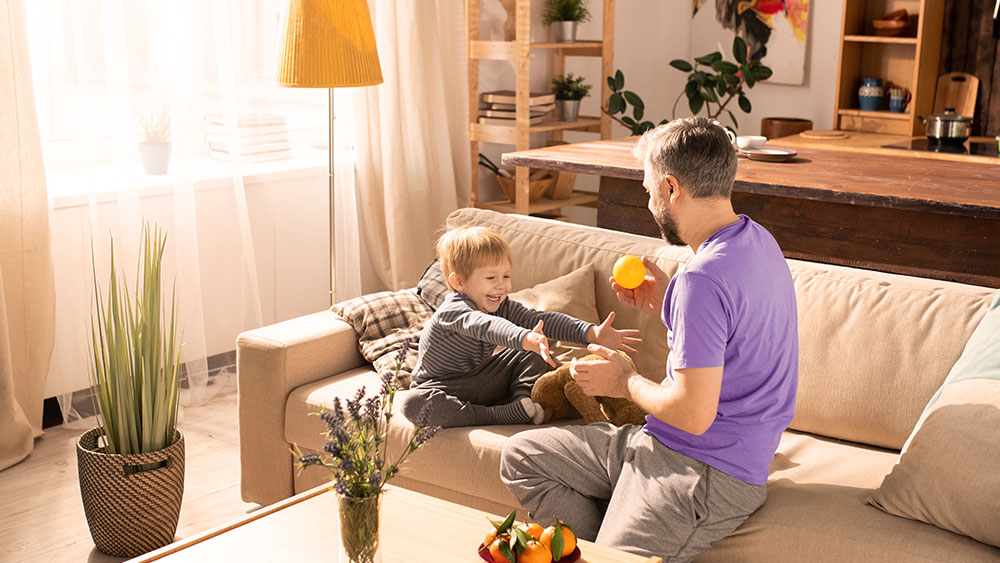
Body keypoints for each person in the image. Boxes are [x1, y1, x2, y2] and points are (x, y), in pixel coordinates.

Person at [500, 116, 799, 562]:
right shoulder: (757, 241)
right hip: (664, 445)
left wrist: (624, 382)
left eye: (648, 190)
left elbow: (693, 414)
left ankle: (611, 550)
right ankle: (603, 546)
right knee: (521, 456)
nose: (649, 203)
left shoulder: (702, 279)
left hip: (704, 471)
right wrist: (668, 303)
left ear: (671, 188)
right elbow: (738, 339)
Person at [399, 225, 640, 428]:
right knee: (413, 404)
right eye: (491, 278)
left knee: (534, 353)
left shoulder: (502, 305)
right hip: (441, 388)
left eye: (506, 276)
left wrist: (590, 333)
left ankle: (522, 401)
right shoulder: (453, 310)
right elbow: (487, 326)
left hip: (481, 380)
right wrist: (524, 337)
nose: (502, 286)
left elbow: (542, 320)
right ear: (459, 282)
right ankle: (499, 414)